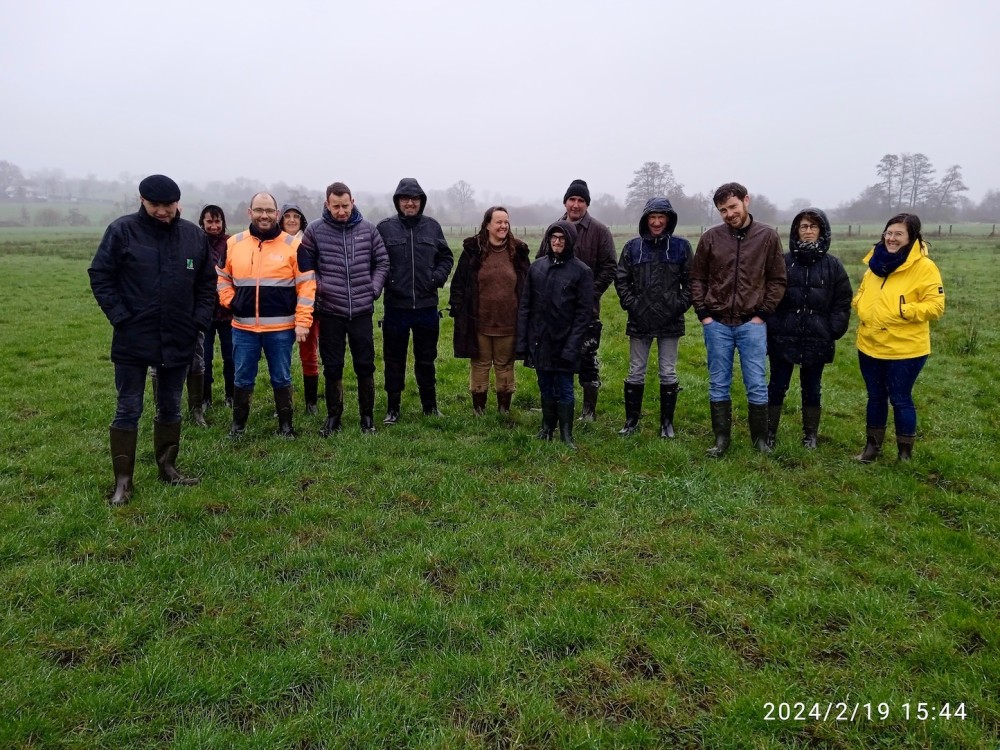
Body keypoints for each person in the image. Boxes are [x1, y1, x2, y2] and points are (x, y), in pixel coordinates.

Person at [89, 174, 216, 506]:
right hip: (134, 335)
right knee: (128, 407)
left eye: (168, 205)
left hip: (179, 336)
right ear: (142, 201)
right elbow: (100, 275)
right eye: (155, 205)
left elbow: (207, 284)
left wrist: (199, 322)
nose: (163, 211)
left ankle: (168, 467)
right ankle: (123, 481)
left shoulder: (193, 236)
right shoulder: (122, 231)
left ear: (178, 203)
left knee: (171, 404)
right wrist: (120, 316)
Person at [690, 182, 786, 456]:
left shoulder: (767, 237)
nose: (729, 214)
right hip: (716, 323)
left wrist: (762, 314)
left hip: (751, 323)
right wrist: (704, 314)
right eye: (722, 210)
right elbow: (697, 278)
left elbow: (777, 280)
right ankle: (721, 439)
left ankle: (760, 440)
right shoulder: (710, 238)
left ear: (746, 201)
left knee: (756, 381)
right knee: (719, 381)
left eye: (732, 207)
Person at [217, 192, 315, 438]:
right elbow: (221, 277)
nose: (264, 215)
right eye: (259, 210)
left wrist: (303, 322)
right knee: (242, 378)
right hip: (243, 328)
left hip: (281, 330)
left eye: (269, 211)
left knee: (281, 377)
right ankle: (238, 427)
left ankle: (286, 427)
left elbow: (306, 285)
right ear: (250, 212)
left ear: (277, 214)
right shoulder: (234, 244)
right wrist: (231, 301)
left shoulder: (293, 245)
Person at [852, 213, 944, 462]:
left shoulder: (924, 267)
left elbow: (936, 306)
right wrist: (859, 303)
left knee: (900, 399)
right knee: (875, 397)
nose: (891, 238)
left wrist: (903, 310)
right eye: (889, 233)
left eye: (898, 234)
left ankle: (905, 453)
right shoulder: (875, 262)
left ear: (911, 237)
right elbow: (863, 291)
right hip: (869, 344)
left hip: (906, 349)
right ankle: (871, 449)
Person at [299, 182, 389, 435]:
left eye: (345, 205)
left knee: (365, 364)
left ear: (353, 202)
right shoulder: (314, 231)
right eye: (336, 206)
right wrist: (321, 286)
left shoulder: (368, 229)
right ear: (327, 204)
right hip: (330, 311)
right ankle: (333, 417)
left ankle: (367, 417)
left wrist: (373, 288)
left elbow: (382, 261)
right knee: (333, 365)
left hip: (361, 309)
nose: (341, 211)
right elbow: (305, 267)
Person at [766, 208, 853, 449]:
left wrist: (832, 329)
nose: (808, 231)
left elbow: (843, 301)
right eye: (803, 226)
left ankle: (810, 435)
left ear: (822, 231)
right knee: (776, 386)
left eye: (813, 227)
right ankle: (769, 432)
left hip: (817, 337)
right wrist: (774, 326)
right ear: (796, 230)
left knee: (812, 388)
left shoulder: (833, 266)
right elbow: (770, 296)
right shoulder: (782, 262)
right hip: (783, 337)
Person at [537, 179, 617, 421]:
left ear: (587, 204)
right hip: (555, 312)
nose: (575, 204)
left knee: (587, 359)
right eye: (572, 199)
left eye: (581, 200)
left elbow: (610, 266)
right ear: (565, 202)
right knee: (553, 360)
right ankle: (555, 405)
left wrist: (588, 294)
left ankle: (588, 411)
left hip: (586, 312)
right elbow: (541, 261)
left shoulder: (600, 231)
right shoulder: (554, 228)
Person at [613, 197, 693, 438]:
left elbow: (692, 282)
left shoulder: (681, 247)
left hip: (671, 320)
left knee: (668, 372)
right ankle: (631, 421)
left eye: (661, 217)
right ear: (645, 219)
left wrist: (679, 305)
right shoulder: (632, 248)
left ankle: (666, 424)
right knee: (636, 370)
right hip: (640, 319)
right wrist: (632, 304)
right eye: (652, 217)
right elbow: (621, 279)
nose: (657, 222)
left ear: (668, 219)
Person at [376, 178, 454, 422]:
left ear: (421, 201)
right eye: (405, 199)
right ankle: (393, 408)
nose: (410, 203)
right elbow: (375, 260)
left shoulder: (432, 227)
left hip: (426, 307)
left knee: (426, 359)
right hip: (396, 308)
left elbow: (446, 257)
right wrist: (389, 282)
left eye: (415, 199)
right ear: (397, 201)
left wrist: (436, 279)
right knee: (394, 359)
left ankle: (429, 406)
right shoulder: (384, 228)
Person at [516, 221, 595, 448]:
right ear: (548, 240)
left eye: (562, 238)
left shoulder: (582, 272)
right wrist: (524, 342)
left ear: (570, 241)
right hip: (540, 341)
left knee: (565, 388)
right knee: (545, 386)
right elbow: (525, 307)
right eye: (554, 238)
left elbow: (583, 315)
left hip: (565, 342)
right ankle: (547, 428)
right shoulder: (537, 268)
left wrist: (572, 348)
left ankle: (566, 434)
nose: (557, 242)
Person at [450, 206, 531, 414]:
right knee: (480, 364)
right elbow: (458, 284)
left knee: (505, 365)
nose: (503, 226)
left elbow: (528, 286)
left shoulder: (518, 252)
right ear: (487, 225)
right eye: (498, 222)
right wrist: (460, 312)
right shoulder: (473, 251)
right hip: (478, 322)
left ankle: (504, 408)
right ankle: (479, 409)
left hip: (509, 323)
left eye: (506, 222)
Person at [279, 203, 320, 415]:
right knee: (281, 356)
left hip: (309, 306)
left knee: (309, 354)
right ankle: (283, 402)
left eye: (296, 216)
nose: (292, 220)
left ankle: (311, 402)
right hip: (281, 308)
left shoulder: (309, 243)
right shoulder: (274, 244)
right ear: (281, 220)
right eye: (288, 216)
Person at [198, 204, 234, 411]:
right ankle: (205, 398)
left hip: (228, 312)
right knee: (205, 358)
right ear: (202, 222)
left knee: (231, 357)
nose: (214, 225)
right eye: (209, 221)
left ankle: (231, 395)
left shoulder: (231, 243)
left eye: (217, 221)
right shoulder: (196, 242)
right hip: (205, 312)